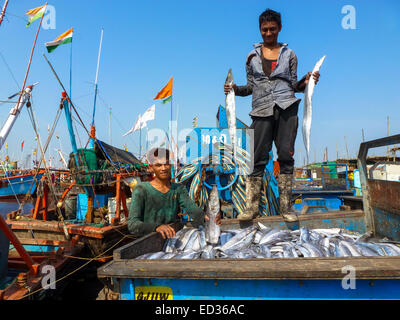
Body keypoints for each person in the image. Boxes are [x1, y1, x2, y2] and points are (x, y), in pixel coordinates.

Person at [224, 9, 320, 222]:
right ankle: (252, 208)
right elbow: (250, 87)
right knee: (256, 159)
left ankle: (286, 208)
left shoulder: (290, 55)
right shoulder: (251, 57)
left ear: (279, 29)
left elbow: (293, 86)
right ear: (260, 30)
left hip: (287, 109)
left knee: (286, 157)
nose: (268, 33)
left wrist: (307, 81)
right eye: (264, 29)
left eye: (272, 29)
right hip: (260, 110)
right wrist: (233, 89)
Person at [128, 147, 221, 239]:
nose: (163, 168)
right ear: (151, 168)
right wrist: (156, 227)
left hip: (171, 238)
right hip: (147, 241)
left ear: (171, 165)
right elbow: (133, 225)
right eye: (158, 165)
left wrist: (210, 218)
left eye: (166, 164)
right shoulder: (141, 189)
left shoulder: (177, 188)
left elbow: (192, 209)